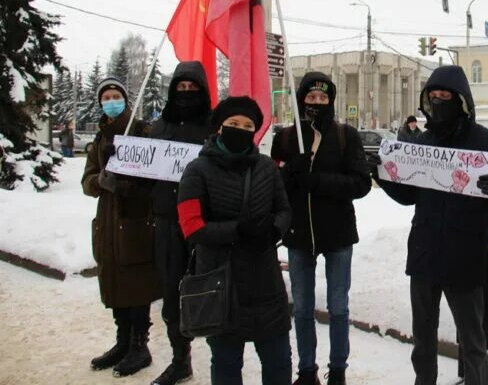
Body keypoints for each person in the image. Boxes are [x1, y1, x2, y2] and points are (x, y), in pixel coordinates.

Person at [372, 65, 488, 385]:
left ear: (461, 99)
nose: (438, 102)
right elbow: (410, 195)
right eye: (432, 96)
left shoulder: (487, 141)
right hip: (424, 253)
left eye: (445, 96)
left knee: (473, 341)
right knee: (423, 338)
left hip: (465, 256)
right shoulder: (422, 141)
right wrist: (382, 175)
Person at [177, 96, 293, 385]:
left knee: (279, 361)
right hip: (221, 283)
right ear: (219, 127)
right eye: (233, 124)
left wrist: (273, 231)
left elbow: (284, 209)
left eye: (247, 125)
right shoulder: (196, 170)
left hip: (265, 282)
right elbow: (191, 226)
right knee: (227, 364)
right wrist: (237, 230)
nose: (240, 128)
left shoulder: (267, 168)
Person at [271, 72, 371, 385]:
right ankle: (307, 370)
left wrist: (318, 181)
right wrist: (291, 175)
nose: (317, 102)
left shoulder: (345, 136)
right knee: (301, 307)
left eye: (323, 98)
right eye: (311, 98)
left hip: (338, 234)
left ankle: (338, 369)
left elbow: (361, 183)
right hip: (299, 235)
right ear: (301, 101)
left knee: (338, 307)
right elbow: (274, 187)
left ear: (331, 101)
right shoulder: (285, 138)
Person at [81, 77, 160, 377]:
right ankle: (122, 341)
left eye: (116, 96)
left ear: (125, 100)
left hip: (135, 219)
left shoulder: (140, 131)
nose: (111, 101)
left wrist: (124, 184)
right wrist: (100, 181)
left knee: (135, 281)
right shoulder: (101, 138)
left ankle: (140, 345)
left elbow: (153, 178)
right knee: (113, 278)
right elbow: (86, 181)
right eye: (106, 97)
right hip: (107, 222)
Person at [149, 62, 212, 385]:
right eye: (181, 88)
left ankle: (222, 361)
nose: (186, 93)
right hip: (167, 223)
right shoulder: (159, 127)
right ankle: (180, 358)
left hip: (204, 226)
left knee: (212, 291)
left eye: (193, 88)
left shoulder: (214, 128)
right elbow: (145, 173)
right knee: (171, 293)